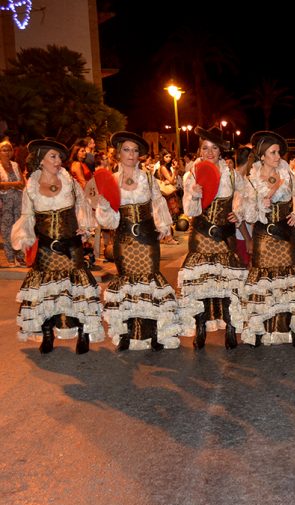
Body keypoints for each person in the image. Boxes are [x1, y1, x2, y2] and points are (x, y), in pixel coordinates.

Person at [11, 139, 104, 353]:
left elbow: (81, 205)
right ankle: (47, 333)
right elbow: (27, 215)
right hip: (46, 248)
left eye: (59, 157)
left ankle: (82, 332)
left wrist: (85, 226)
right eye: (52, 156)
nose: (58, 160)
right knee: (46, 293)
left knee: (76, 290)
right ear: (40, 160)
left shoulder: (69, 182)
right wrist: (24, 237)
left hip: (71, 247)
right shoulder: (31, 187)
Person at [95, 132, 180, 351]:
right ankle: (128, 331)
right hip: (124, 240)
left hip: (147, 239)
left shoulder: (149, 178)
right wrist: (104, 204)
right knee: (128, 283)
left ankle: (152, 331)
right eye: (126, 149)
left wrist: (163, 227)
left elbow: (158, 205)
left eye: (135, 150)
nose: (131, 154)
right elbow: (110, 221)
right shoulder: (111, 180)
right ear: (118, 153)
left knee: (149, 282)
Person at [178, 126, 248, 350]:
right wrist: (195, 195)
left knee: (227, 285)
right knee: (202, 285)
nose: (209, 152)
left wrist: (237, 211)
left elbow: (243, 196)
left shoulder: (231, 173)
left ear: (221, 152)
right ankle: (200, 328)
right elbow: (189, 209)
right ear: (200, 150)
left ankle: (230, 328)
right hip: (201, 235)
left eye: (214, 148)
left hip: (225, 236)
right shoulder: (192, 174)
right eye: (205, 148)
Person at [240, 131, 295, 347]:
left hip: (286, 234)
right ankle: (262, 327)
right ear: (262, 156)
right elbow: (249, 215)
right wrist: (262, 204)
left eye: (279, 152)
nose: (278, 156)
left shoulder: (287, 174)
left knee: (289, 279)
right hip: (264, 236)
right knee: (265, 281)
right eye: (273, 152)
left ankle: (293, 327)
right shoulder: (251, 181)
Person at [0, 138, 25, 266]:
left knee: (19, 229)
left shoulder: (15, 165)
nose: (7, 152)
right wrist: (14, 184)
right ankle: (10, 258)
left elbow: (22, 183)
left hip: (18, 201)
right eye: (4, 150)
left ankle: (20, 257)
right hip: (5, 202)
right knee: (7, 230)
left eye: (9, 150)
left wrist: (11, 185)